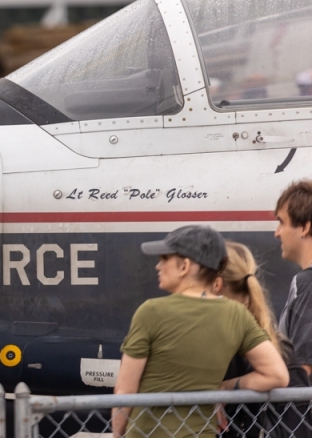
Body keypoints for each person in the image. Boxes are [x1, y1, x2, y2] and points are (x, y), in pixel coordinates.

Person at [112, 225, 288, 438]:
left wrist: (117, 433)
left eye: (165, 259)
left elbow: (125, 391)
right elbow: (277, 375)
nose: (158, 266)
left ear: (184, 266)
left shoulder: (151, 312)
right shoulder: (237, 314)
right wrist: (225, 387)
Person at [216, 242, 312, 438]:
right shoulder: (276, 344)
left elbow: (285, 376)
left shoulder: (232, 348)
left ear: (216, 285)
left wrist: (225, 387)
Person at [275, 180, 312, 376]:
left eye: (282, 222)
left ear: (305, 227)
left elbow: (303, 370)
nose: (277, 233)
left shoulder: (307, 283)